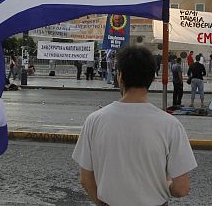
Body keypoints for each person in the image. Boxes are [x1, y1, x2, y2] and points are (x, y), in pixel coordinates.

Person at [72, 46, 197, 206]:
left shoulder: (94, 120)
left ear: (120, 76)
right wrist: (165, 184)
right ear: (151, 78)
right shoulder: (171, 125)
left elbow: (86, 179)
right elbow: (181, 188)